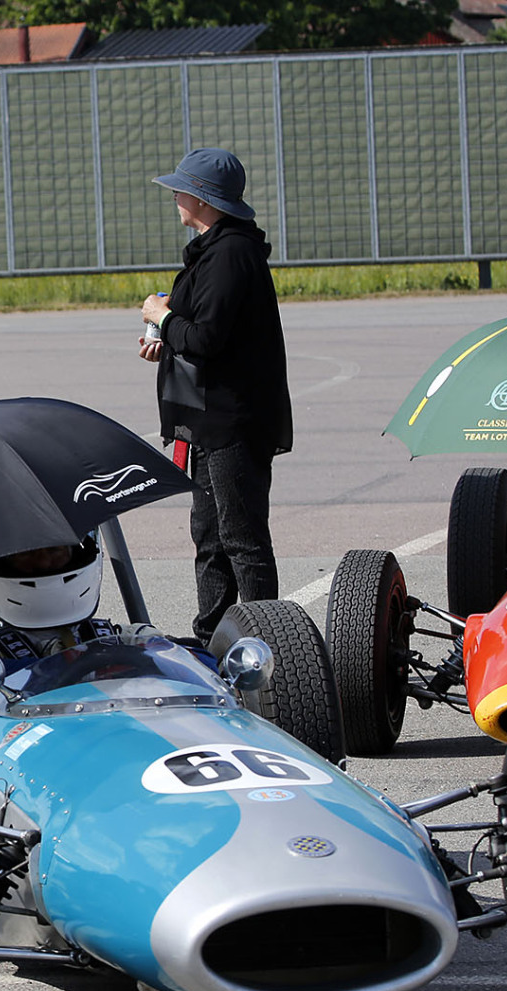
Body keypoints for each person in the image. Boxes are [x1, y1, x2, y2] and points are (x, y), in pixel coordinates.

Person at [138, 147, 293, 643]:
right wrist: (166, 337)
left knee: (242, 538)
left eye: (181, 189)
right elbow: (206, 331)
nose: (175, 197)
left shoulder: (231, 253)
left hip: (232, 422)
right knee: (209, 537)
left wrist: (161, 317)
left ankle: (268, 643)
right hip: (207, 421)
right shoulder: (215, 249)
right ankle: (212, 640)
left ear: (203, 199)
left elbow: (206, 337)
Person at [0, 540, 118, 658]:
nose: (44, 562)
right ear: (0, 563)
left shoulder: (118, 637)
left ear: (77, 554)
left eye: (54, 550)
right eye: (26, 553)